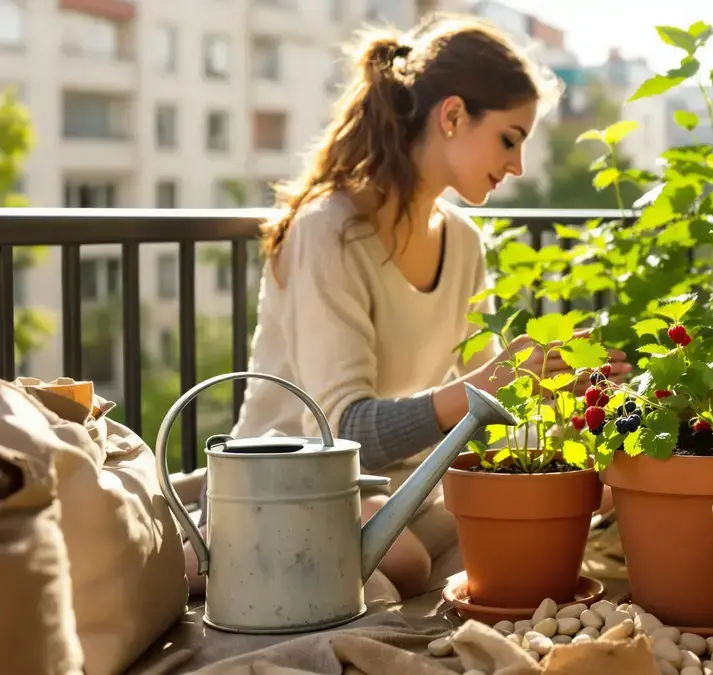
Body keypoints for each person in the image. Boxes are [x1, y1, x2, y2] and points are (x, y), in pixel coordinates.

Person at [181, 15, 631, 599]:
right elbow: (342, 430)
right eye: (509, 138)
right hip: (288, 483)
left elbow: (486, 415)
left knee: (536, 529)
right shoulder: (329, 229)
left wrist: (554, 396)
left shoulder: (463, 241)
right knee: (407, 561)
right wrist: (486, 385)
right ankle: (201, 552)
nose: (517, 165)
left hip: (403, 491)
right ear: (453, 116)